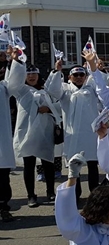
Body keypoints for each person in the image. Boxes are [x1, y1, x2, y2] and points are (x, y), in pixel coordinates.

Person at [9, 58, 62, 207]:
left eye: (34, 74)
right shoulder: (21, 91)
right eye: (28, 74)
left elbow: (58, 105)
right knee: (29, 164)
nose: (31, 77)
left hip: (44, 131)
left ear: (39, 76)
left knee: (48, 163)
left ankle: (50, 192)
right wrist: (16, 62)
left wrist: (49, 109)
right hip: (27, 132)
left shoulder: (45, 91)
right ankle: (31, 195)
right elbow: (13, 80)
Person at [47, 61, 102, 201]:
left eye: (81, 74)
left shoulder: (91, 89)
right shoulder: (65, 90)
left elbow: (103, 89)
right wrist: (56, 71)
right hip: (72, 134)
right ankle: (75, 194)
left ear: (85, 76)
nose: (78, 77)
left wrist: (96, 69)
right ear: (69, 77)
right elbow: (52, 90)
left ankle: (95, 194)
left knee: (92, 164)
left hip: (90, 133)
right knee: (74, 166)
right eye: (75, 75)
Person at [0, 49, 23, 221]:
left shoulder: (3, 87)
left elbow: (14, 82)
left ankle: (3, 208)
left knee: (2, 178)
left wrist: (15, 61)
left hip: (1, 141)